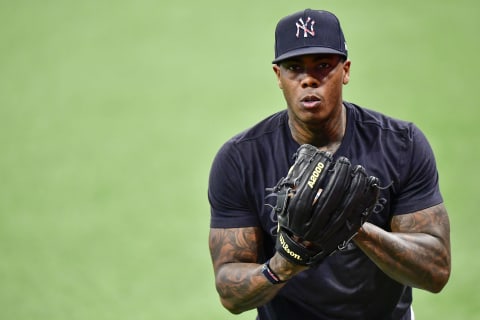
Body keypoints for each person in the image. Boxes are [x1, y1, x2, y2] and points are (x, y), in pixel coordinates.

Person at [207, 8, 451, 320]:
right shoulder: (241, 159)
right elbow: (230, 293)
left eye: (323, 66)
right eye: (294, 68)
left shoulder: (401, 145)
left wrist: (353, 226)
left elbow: (436, 271)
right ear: (278, 76)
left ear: (346, 70)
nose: (309, 79)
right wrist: (288, 260)